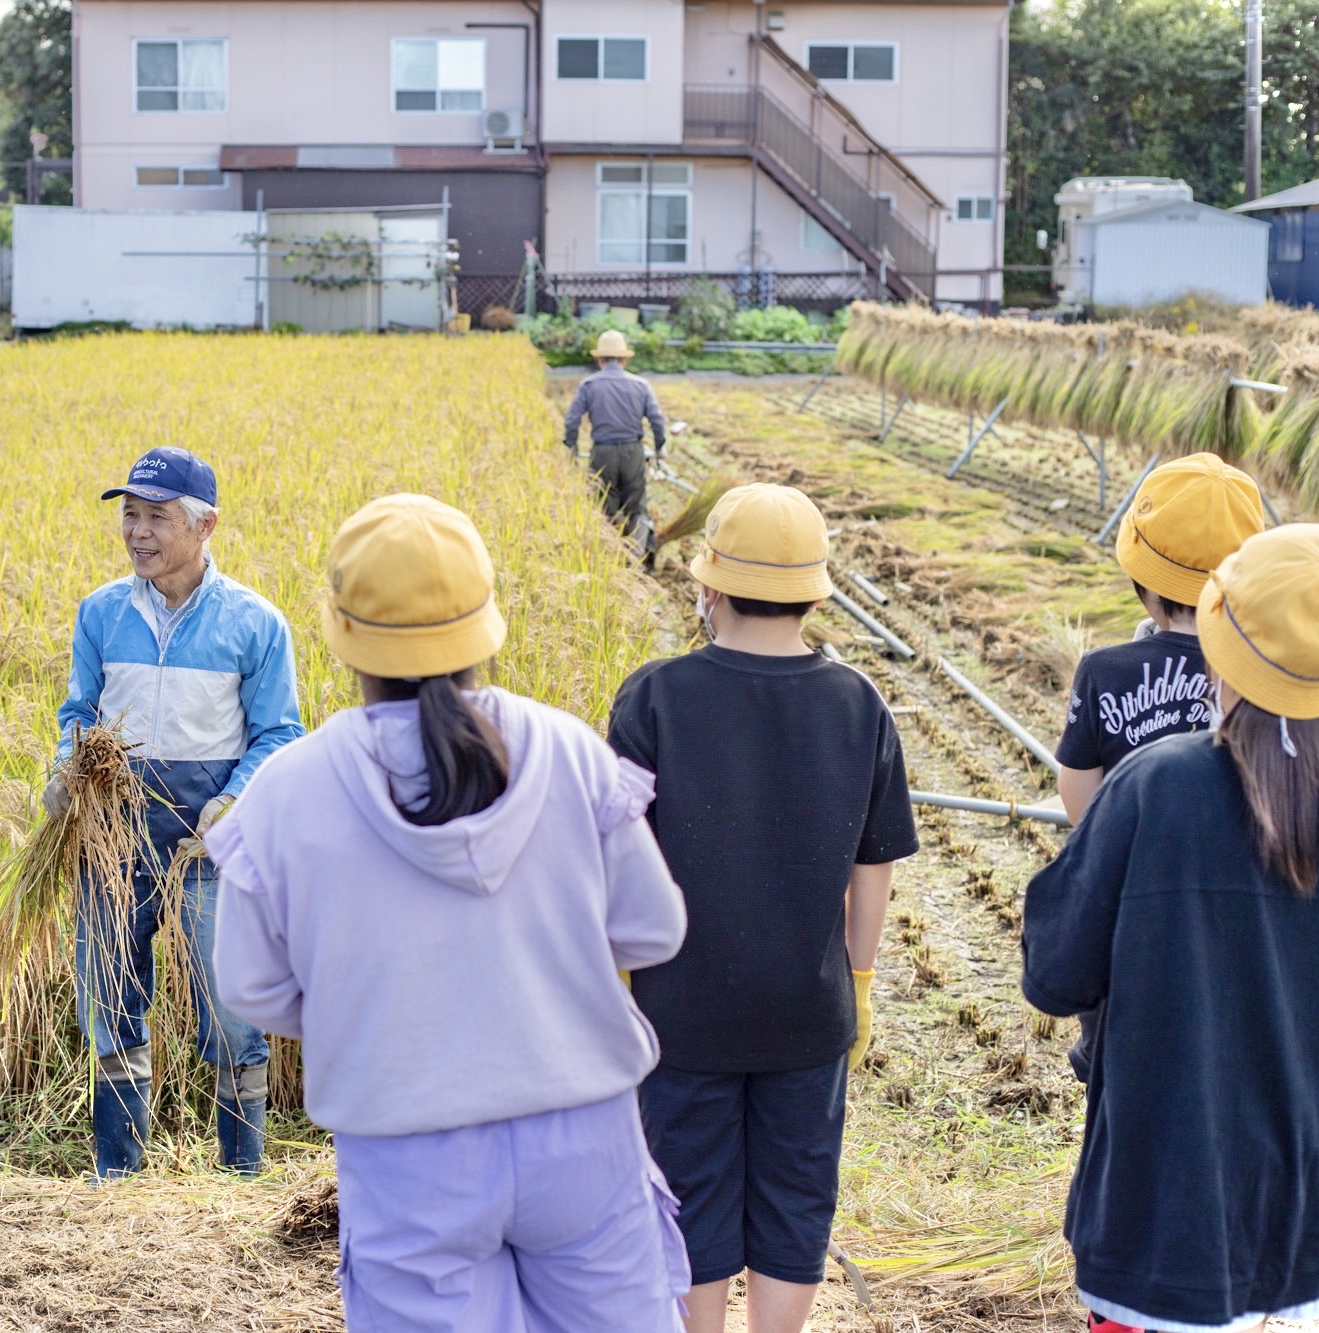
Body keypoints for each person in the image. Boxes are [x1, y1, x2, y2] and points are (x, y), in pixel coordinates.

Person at [209, 493, 690, 1330]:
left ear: (342, 630)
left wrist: (368, 997)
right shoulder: (569, 747)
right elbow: (654, 929)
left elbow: (251, 988)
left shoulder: (286, 789)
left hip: (404, 1145)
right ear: (483, 626)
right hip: (582, 1130)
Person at [1023, 523, 1319, 1333]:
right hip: (1305, 1227)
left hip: (1153, 1223)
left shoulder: (1155, 786)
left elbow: (1053, 974)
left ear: (1220, 646)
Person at [608, 483, 919, 1333]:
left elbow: (615, 855)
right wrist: (855, 978)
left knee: (687, 1197)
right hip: (807, 1014)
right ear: (815, 595)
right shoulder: (859, 703)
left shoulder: (655, 696)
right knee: (794, 1197)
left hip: (678, 1009)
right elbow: (872, 866)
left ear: (707, 587)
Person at [48, 445, 304, 1178]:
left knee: (228, 1008)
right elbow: (79, 710)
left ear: (205, 525)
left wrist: (230, 803)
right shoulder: (100, 614)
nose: (137, 532)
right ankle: (118, 1172)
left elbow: (281, 732)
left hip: (206, 847)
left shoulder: (254, 624)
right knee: (108, 994)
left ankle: (240, 1174)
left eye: (156, 516)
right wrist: (68, 771)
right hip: (112, 839)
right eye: (129, 514)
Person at [1052, 451, 1262, 1085]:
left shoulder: (1105, 670)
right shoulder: (1264, 678)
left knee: (1122, 1072)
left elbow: (1078, 793)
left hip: (1131, 908)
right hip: (1240, 910)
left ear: (1142, 580)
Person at [563, 329, 669, 554]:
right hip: (633, 451)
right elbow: (657, 420)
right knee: (637, 507)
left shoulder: (589, 385)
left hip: (602, 452)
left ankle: (608, 555)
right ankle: (637, 556)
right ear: (623, 359)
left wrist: (571, 447)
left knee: (604, 507)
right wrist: (660, 447)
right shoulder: (641, 385)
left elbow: (572, 420)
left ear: (599, 359)